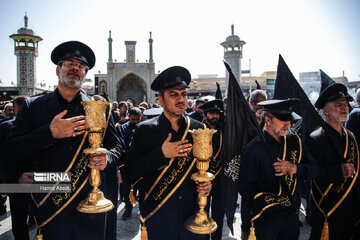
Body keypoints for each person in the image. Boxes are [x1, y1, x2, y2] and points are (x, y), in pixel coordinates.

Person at [5, 41, 124, 240]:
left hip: (91, 195)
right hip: (50, 194)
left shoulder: (99, 108)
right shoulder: (33, 106)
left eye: (81, 65)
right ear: (58, 69)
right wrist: (49, 133)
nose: (75, 68)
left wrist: (108, 158)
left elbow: (119, 146)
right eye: (69, 63)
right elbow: (11, 149)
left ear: (85, 74)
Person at [125, 66, 212, 240]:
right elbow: (130, 171)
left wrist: (208, 183)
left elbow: (212, 163)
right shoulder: (144, 130)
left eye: (184, 94)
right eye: (174, 94)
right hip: (158, 215)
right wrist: (161, 154)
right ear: (161, 100)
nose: (181, 99)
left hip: (193, 215)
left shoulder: (199, 128)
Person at [239, 99, 318, 240]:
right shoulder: (253, 149)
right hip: (265, 219)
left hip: (291, 216)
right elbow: (246, 190)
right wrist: (246, 227)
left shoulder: (295, 142)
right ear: (268, 120)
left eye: (289, 119)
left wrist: (295, 169)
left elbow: (314, 169)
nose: (288, 124)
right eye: (282, 120)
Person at [309, 82, 359, 240]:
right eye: (338, 105)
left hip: (352, 210)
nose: (344, 108)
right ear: (326, 111)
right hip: (330, 210)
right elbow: (312, 173)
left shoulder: (350, 136)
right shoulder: (316, 138)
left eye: (345, 104)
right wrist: (339, 172)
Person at [0, 96, 33, 240]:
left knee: (20, 219)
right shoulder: (6, 127)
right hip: (21, 180)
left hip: (20, 179)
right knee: (22, 218)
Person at [199, 99, 225, 240]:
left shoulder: (223, 131)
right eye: (211, 113)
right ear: (205, 115)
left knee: (218, 214)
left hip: (219, 179)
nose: (215, 116)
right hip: (202, 179)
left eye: (217, 113)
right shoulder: (198, 130)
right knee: (202, 211)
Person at [120, 107, 141, 220]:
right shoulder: (123, 128)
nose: (136, 122)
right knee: (126, 189)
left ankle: (142, 211)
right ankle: (128, 210)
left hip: (139, 163)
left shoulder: (143, 127)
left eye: (138, 119)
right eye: (133, 119)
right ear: (129, 117)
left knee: (141, 188)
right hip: (127, 164)